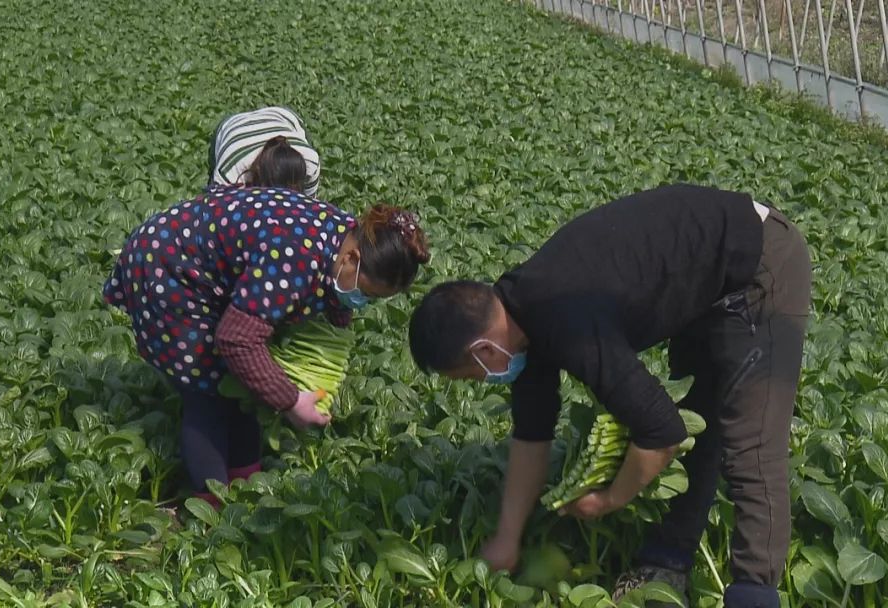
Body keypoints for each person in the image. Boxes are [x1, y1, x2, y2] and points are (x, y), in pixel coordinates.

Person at [407, 184, 811, 608]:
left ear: (485, 351)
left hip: (761, 263)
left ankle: (753, 596)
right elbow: (532, 436)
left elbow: (661, 432)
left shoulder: (566, 321)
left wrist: (610, 498)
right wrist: (507, 539)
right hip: (709, 273)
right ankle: (665, 564)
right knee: (703, 422)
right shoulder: (521, 315)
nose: (480, 382)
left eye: (471, 376)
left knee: (753, 448)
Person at [104, 186, 429, 506]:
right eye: (367, 294)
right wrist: (289, 400)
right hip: (168, 268)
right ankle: (211, 509)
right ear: (352, 258)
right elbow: (236, 340)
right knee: (207, 395)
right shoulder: (294, 258)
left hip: (202, 267)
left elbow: (331, 296)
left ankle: (246, 487)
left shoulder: (347, 235)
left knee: (241, 391)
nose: (363, 303)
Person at [209, 106, 321, 196]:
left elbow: (309, 207)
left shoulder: (311, 163)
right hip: (231, 127)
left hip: (284, 117)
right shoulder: (230, 173)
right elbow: (218, 210)